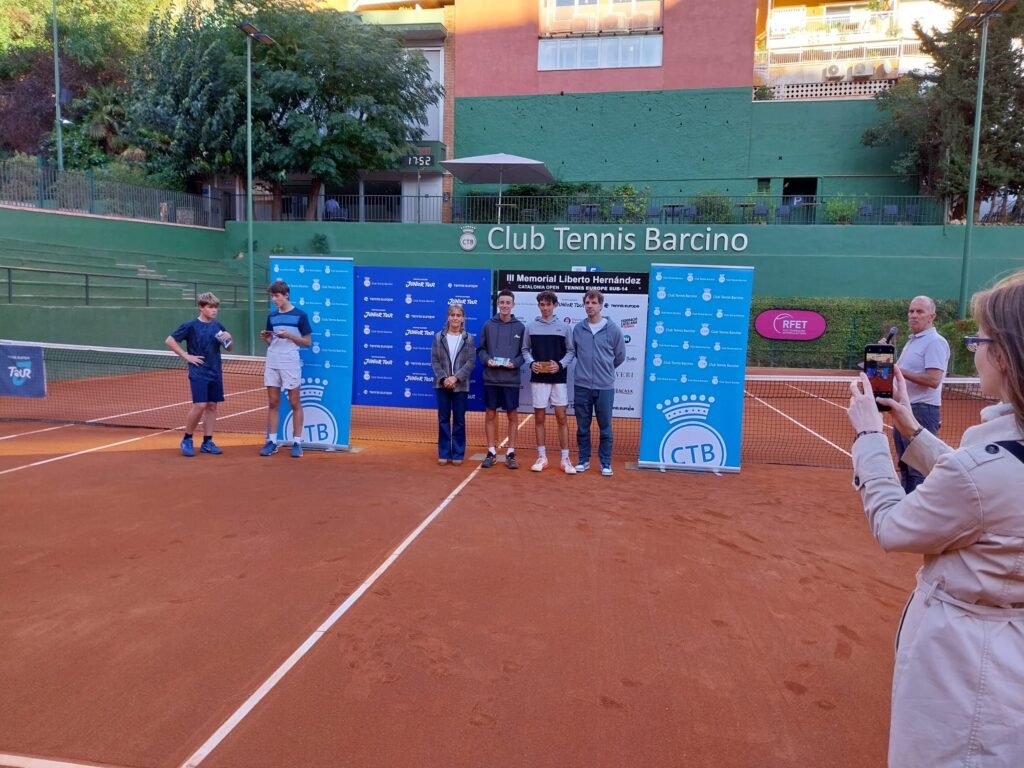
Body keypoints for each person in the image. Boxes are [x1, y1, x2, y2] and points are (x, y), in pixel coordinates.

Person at [846, 270, 1024, 767]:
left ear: (1004, 356)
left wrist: (869, 437)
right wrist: (910, 428)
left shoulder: (983, 470)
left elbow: (893, 525)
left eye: (980, 341)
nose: (975, 351)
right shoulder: (994, 462)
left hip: (964, 669)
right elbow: (984, 481)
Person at [891, 295, 951, 493]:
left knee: (918, 470)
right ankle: (905, 506)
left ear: (931, 316)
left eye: (920, 311)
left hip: (922, 412)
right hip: (905, 409)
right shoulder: (913, 341)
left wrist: (897, 371)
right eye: (911, 311)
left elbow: (933, 380)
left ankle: (918, 509)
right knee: (905, 466)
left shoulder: (935, 342)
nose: (914, 315)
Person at [165, 292, 233, 457]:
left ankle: (207, 442)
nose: (214, 310)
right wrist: (186, 356)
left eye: (216, 307)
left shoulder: (218, 326)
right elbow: (170, 340)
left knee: (212, 405)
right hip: (198, 371)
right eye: (210, 307)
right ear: (201, 307)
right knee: (200, 405)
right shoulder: (190, 326)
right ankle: (187, 439)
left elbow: (229, 348)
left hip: (215, 371)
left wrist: (229, 338)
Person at [571, 289, 625, 476]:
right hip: (582, 386)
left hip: (604, 387)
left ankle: (605, 463)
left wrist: (606, 370)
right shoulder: (578, 329)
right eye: (587, 302)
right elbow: (576, 352)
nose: (590, 306)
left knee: (606, 428)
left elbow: (620, 356)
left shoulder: (613, 329)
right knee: (582, 427)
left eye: (594, 303)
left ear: (601, 305)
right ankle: (583, 460)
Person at [522, 290, 576, 474]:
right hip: (538, 379)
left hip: (558, 379)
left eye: (548, 304)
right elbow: (525, 350)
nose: (545, 308)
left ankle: (565, 459)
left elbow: (571, 351)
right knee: (539, 418)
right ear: (539, 306)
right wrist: (532, 364)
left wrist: (559, 365)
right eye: (542, 305)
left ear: (555, 305)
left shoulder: (565, 327)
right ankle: (541, 457)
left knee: (561, 417)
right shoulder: (530, 327)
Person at [259, 280, 312, 458]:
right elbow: (272, 341)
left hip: (290, 361)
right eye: (272, 296)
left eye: (277, 296)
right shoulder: (272, 317)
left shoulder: (300, 316)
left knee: (294, 402)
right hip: (272, 360)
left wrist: (289, 335)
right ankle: (272, 442)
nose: (274, 299)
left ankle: (297, 442)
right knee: (273, 402)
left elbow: (307, 342)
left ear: (286, 295)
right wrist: (266, 338)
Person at [476, 289, 525, 470]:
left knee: (512, 416)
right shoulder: (488, 325)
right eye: (502, 302)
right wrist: (487, 360)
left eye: (508, 303)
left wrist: (515, 363)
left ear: (513, 305)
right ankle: (491, 452)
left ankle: (511, 453)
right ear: (498, 304)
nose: (505, 305)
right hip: (491, 379)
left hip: (510, 380)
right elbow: (481, 350)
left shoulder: (520, 327)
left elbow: (524, 353)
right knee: (490, 415)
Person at [431, 303, 476, 466]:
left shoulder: (469, 338)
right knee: (443, 419)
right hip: (442, 385)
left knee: (459, 420)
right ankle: (444, 453)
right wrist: (444, 378)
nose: (455, 318)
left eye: (458, 315)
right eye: (452, 315)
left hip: (460, 386)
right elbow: (435, 361)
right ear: (448, 317)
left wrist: (456, 378)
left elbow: (470, 362)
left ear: (463, 318)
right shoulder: (438, 337)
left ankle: (457, 453)